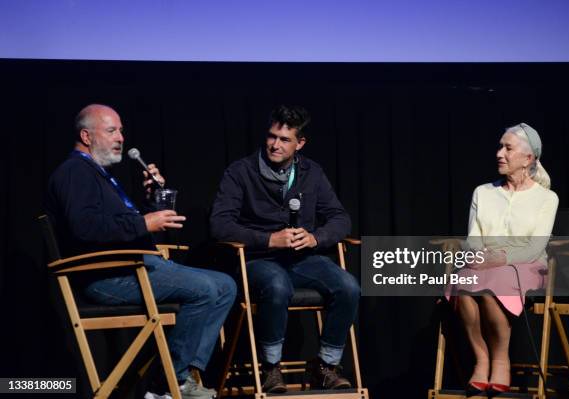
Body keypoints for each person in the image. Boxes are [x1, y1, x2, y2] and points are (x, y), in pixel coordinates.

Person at [45, 104, 237, 399]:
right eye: (111, 130)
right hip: (108, 276)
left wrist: (150, 202)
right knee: (205, 289)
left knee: (225, 285)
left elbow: (120, 224)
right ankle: (165, 386)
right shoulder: (74, 173)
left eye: (120, 130)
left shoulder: (99, 174)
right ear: (86, 135)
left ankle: (182, 376)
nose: (120, 137)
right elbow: (85, 229)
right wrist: (144, 222)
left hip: (137, 265)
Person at [210, 105, 360, 393]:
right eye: (271, 137)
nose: (275, 145)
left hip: (302, 259)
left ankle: (325, 366)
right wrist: (268, 239)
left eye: (284, 139)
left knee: (349, 286)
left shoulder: (312, 172)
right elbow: (219, 225)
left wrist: (316, 238)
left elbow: (341, 218)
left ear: (300, 143)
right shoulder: (241, 172)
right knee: (277, 285)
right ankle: (270, 368)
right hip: (256, 260)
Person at [446, 123, 558, 395]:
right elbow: (473, 237)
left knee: (493, 280)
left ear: (528, 158)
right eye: (500, 147)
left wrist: (498, 259)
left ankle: (500, 359)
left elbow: (533, 248)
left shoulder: (546, 198)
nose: (500, 153)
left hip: (526, 267)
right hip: (484, 263)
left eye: (508, 148)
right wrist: (476, 255)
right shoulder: (483, 192)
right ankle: (482, 358)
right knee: (464, 279)